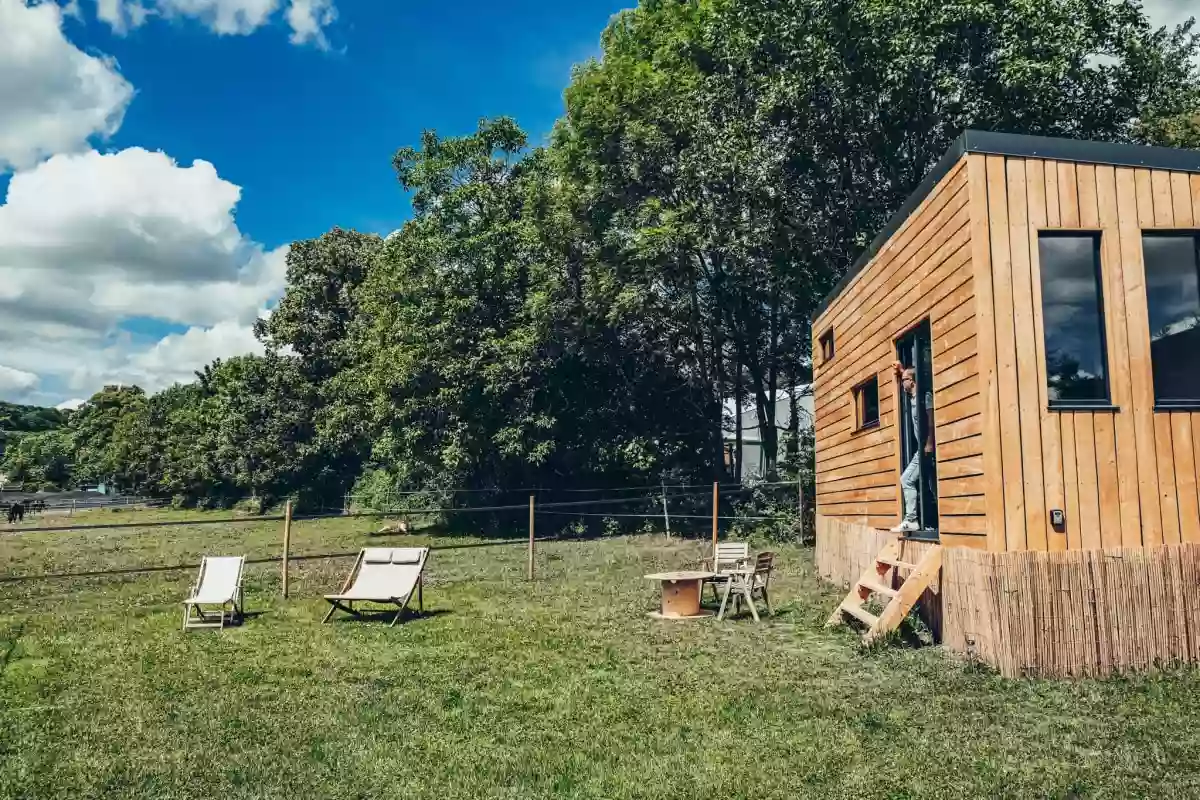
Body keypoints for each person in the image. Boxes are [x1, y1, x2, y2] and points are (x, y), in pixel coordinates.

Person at [891, 362, 934, 533]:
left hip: (927, 446)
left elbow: (931, 421)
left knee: (907, 479)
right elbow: (908, 373)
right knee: (931, 484)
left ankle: (912, 520)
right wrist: (902, 370)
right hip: (923, 447)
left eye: (904, 381)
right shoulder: (912, 397)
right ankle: (930, 522)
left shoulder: (926, 396)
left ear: (913, 382)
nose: (902, 384)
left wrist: (930, 442)